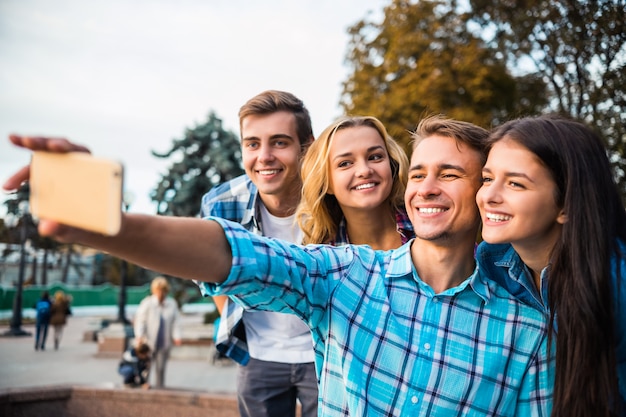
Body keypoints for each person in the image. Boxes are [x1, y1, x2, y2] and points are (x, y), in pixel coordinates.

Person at [4, 114, 553, 415]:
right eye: (420, 174)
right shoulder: (347, 275)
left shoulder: (527, 324)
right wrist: (112, 224)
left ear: (483, 194)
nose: (427, 188)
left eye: (451, 175)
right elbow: (234, 254)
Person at [475, 114, 626, 417]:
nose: (489, 196)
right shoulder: (490, 262)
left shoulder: (616, 283)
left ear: (566, 205)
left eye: (515, 184)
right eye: (488, 178)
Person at [204, 90, 317, 417]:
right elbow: (211, 276)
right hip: (258, 354)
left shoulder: (332, 198)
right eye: (252, 144)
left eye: (279, 142)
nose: (264, 156)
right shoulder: (222, 203)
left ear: (306, 147)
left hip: (325, 354)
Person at [133, 276, 182, 389]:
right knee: (146, 366)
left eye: (162, 290)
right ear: (154, 291)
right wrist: (139, 336)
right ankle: (145, 385)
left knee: (161, 368)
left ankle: (160, 388)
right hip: (148, 342)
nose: (160, 293)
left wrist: (177, 336)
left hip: (164, 342)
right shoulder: (147, 303)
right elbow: (141, 320)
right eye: (158, 290)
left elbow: (176, 322)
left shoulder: (171, 304)